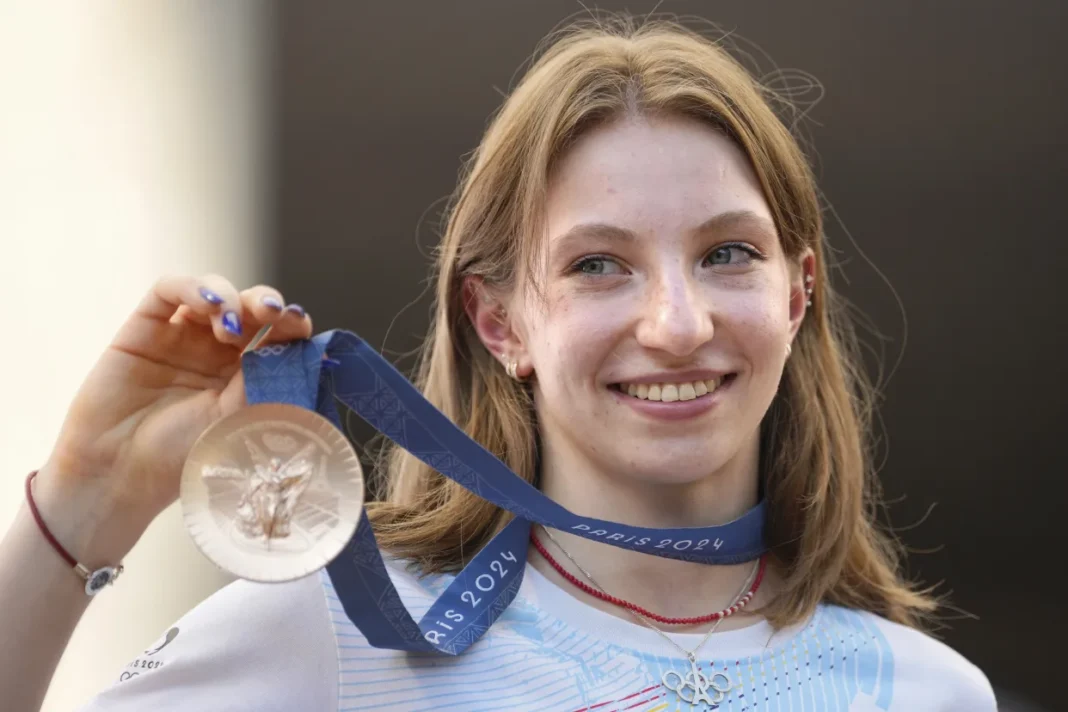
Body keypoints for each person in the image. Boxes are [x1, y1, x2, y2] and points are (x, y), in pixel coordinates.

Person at [0, 17, 997, 712]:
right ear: (499, 321)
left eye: (727, 252)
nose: (677, 323)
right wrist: (86, 502)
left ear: (797, 292)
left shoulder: (930, 693)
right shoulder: (333, 638)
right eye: (598, 264)